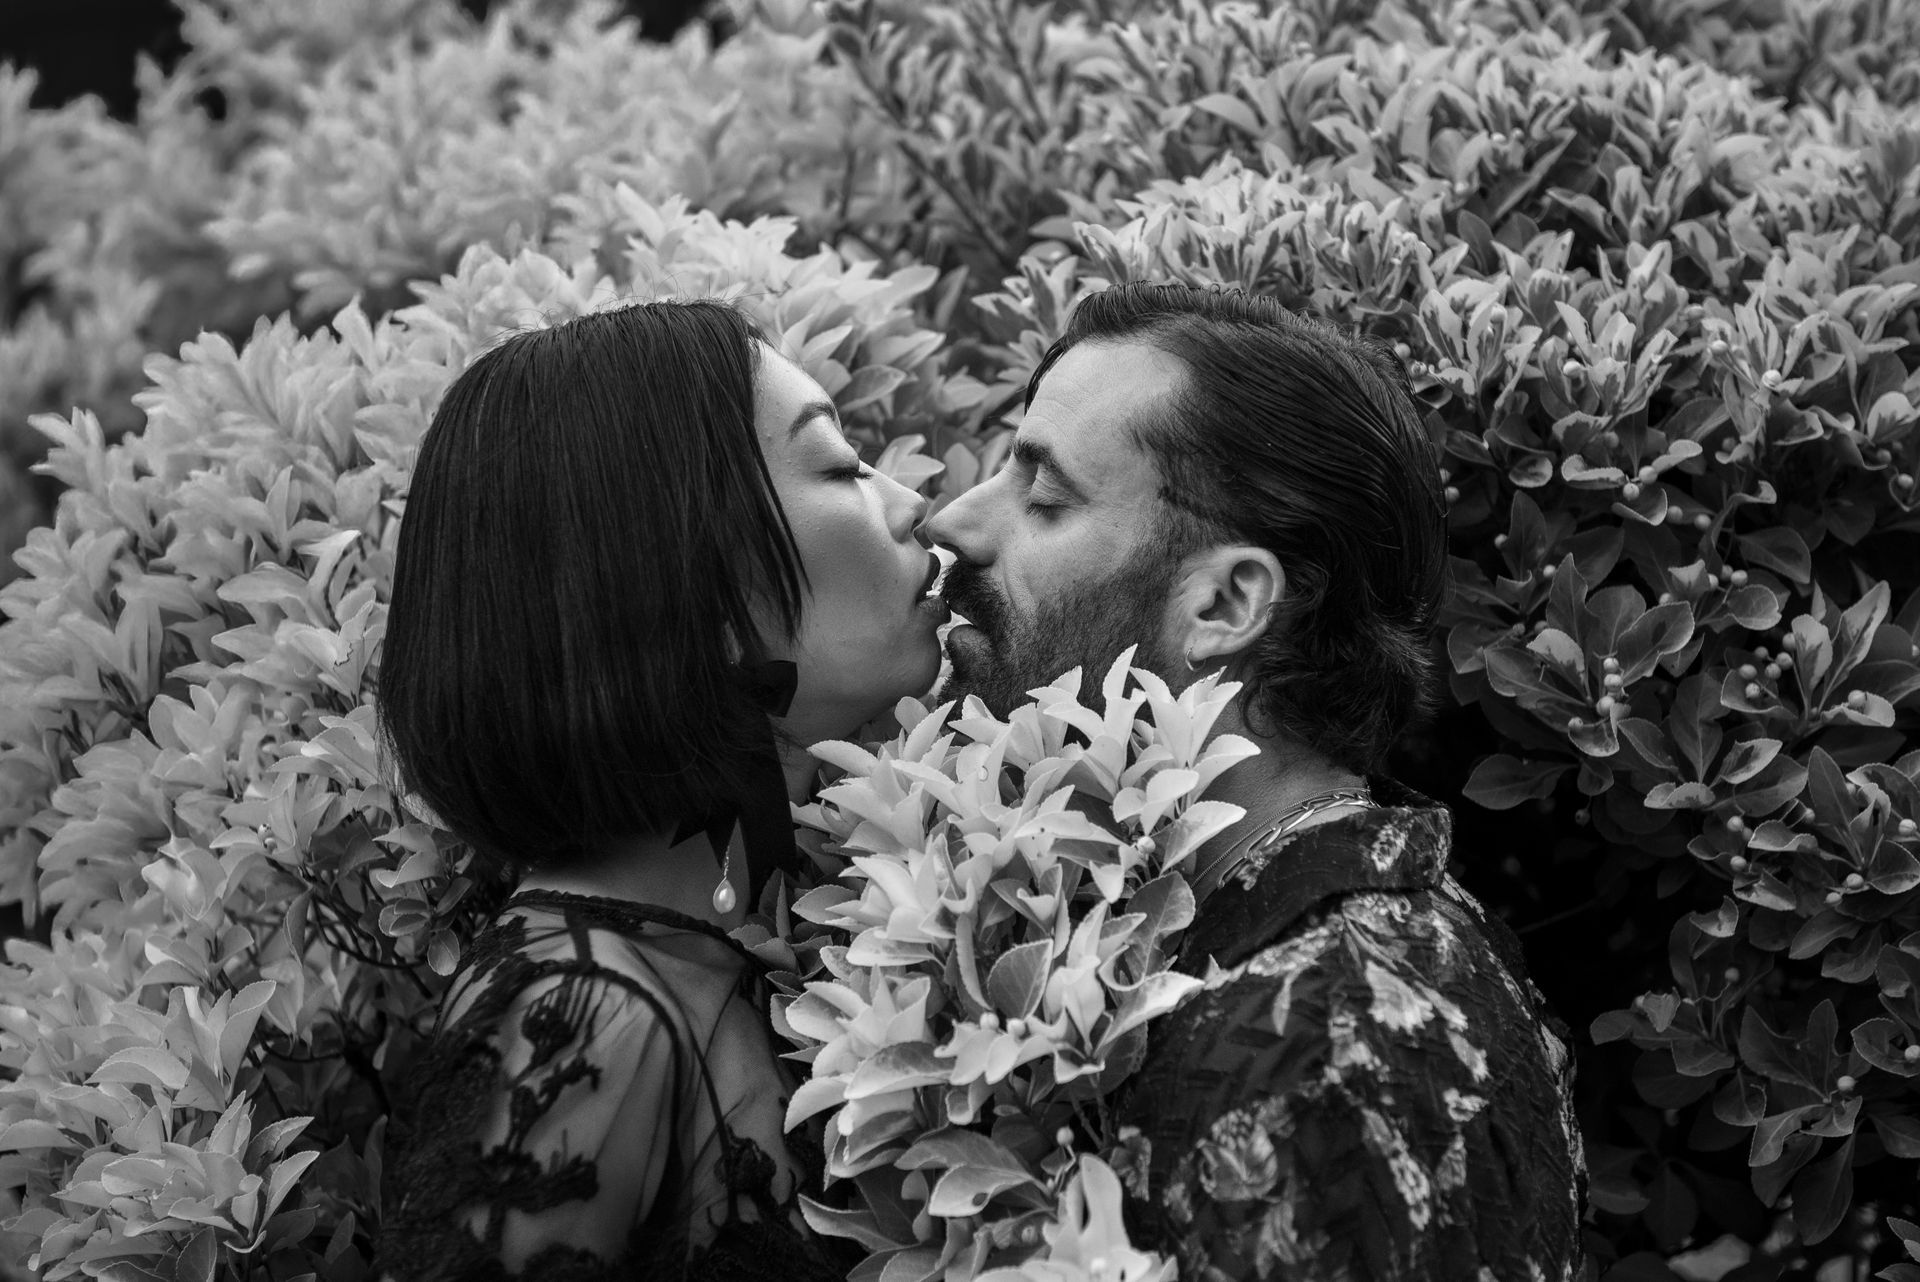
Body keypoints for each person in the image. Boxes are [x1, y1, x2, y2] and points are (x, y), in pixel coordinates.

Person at [925, 282, 1587, 1279]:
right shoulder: (1260, 944)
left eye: (1045, 497)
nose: (955, 521)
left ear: (1228, 603)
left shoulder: (1322, 1038)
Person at [373, 300, 951, 1280]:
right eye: (841, 466)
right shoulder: (586, 1014)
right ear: (691, 587)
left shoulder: (735, 942)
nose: (911, 503)